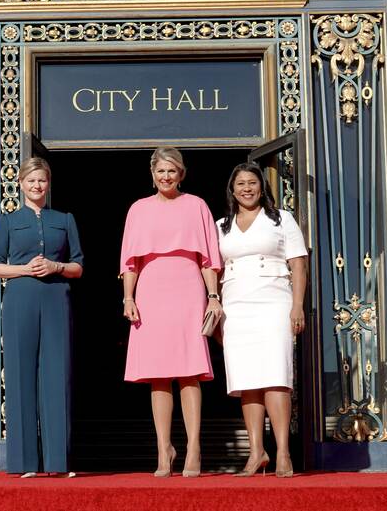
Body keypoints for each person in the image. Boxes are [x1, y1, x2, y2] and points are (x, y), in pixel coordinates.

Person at [120, 146, 222, 478]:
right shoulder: (138, 209)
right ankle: (164, 449)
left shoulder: (197, 205)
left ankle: (193, 447)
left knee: (189, 371)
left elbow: (207, 258)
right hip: (150, 291)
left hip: (188, 290)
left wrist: (213, 296)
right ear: (152, 175)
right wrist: (128, 298)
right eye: (160, 171)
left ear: (182, 174)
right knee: (158, 374)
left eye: (172, 171)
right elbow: (130, 261)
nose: (166, 176)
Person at [0, 157, 83, 478]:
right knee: (20, 376)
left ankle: (59, 462)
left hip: (57, 299)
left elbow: (78, 266)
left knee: (58, 376)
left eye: (42, 180)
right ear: (22, 183)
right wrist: (25, 269)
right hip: (20, 300)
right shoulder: (8, 222)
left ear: (48, 183)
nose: (37, 186)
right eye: (31, 180)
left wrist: (56, 267)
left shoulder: (65, 219)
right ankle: (24, 463)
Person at [216, 162, 308, 478]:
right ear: (232, 189)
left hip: (273, 301)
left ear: (262, 186)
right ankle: (257, 453)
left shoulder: (282, 219)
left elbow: (298, 264)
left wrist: (297, 306)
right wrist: (215, 312)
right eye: (240, 183)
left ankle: (283, 452)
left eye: (252, 182)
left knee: (275, 374)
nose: (246, 188)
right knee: (246, 380)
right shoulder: (220, 225)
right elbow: (212, 271)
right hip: (236, 305)